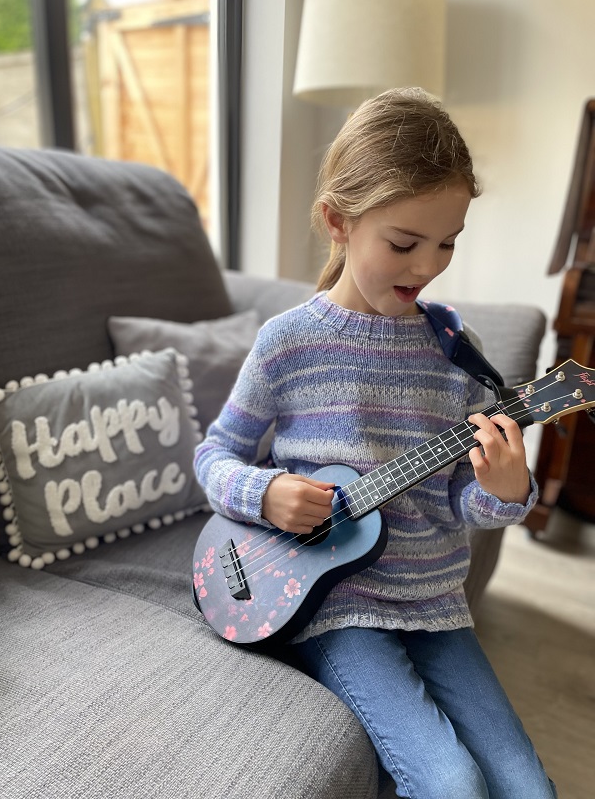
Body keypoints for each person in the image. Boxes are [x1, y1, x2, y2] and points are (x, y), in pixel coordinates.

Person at [194, 88, 557, 799]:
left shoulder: (456, 353)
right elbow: (214, 455)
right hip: (331, 604)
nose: (427, 266)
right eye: (403, 243)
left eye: (447, 242)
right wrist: (265, 493)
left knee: (527, 786)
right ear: (338, 220)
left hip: (433, 601)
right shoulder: (287, 343)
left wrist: (505, 491)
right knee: (452, 783)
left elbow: (462, 500)